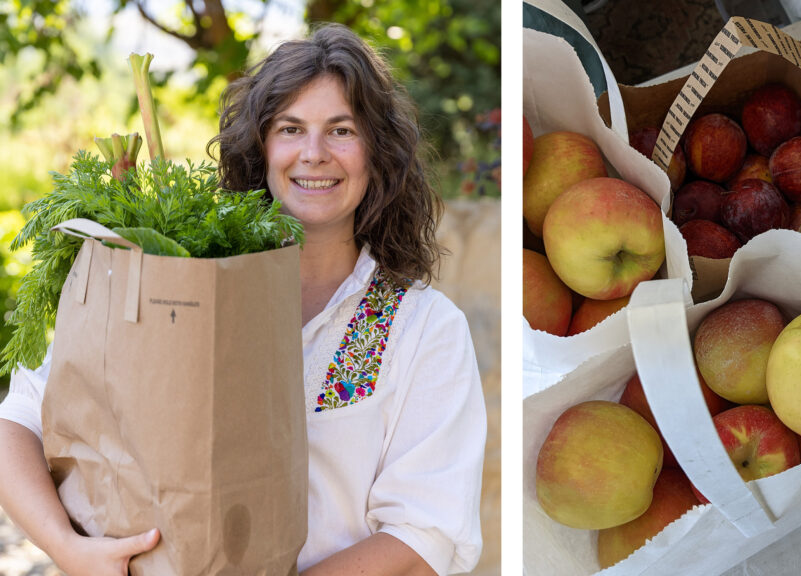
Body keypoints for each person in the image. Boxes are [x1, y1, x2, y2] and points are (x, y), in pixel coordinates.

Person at [0, 23, 486, 576]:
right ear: (261, 146)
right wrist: (71, 551)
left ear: (378, 152)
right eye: (290, 128)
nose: (314, 153)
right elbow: (18, 420)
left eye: (341, 130)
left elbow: (423, 537)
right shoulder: (184, 286)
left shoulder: (421, 328)